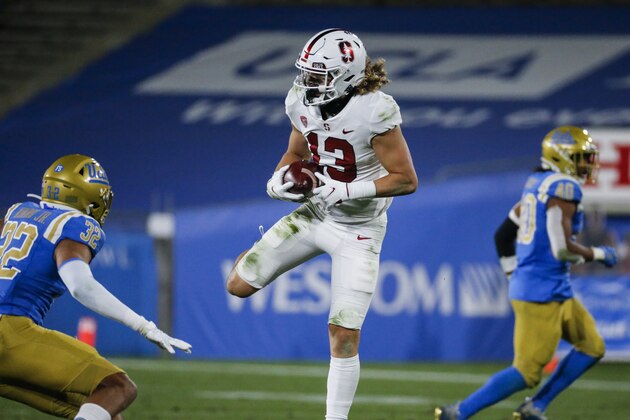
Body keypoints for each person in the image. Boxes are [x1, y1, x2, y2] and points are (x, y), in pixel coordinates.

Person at [226, 28, 418, 419]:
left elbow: (406, 180)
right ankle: (266, 250)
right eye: (307, 73)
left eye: (318, 75)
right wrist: (278, 180)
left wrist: (345, 192)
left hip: (360, 229)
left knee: (343, 334)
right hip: (316, 213)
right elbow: (295, 152)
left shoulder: (374, 110)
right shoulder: (300, 100)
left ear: (346, 74)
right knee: (237, 286)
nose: (307, 82)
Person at [435, 126, 617, 420]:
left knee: (592, 346)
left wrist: (513, 275)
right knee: (527, 372)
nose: (587, 164)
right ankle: (457, 412)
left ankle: (536, 406)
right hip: (541, 291)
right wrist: (597, 254)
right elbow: (561, 249)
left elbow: (502, 236)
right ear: (562, 158)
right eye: (581, 157)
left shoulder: (537, 183)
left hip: (551, 286)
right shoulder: (564, 188)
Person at [0, 154, 192, 420]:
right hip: (10, 332)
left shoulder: (16, 213)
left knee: (106, 413)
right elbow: (80, 286)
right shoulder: (75, 224)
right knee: (118, 387)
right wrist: (143, 325)